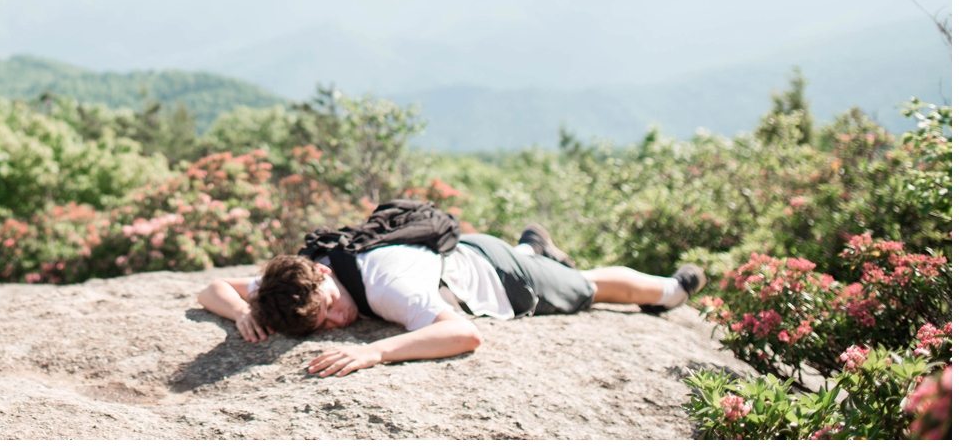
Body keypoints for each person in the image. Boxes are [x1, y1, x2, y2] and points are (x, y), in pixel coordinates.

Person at [195, 222, 705, 377]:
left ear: (324, 279)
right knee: (553, 264)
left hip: (504, 275)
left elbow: (465, 332)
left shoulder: (390, 290)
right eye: (322, 323)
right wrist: (244, 312)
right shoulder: (302, 279)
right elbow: (210, 289)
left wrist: (375, 351)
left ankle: (670, 291)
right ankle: (537, 245)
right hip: (461, 255)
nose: (336, 319)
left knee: (591, 287)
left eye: (329, 306)